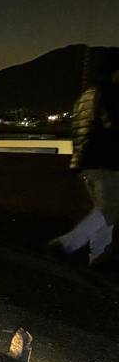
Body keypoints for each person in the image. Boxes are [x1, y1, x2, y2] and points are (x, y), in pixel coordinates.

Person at [51, 62, 119, 265]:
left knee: (104, 209)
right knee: (110, 208)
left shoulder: (87, 96)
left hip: (87, 162)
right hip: (106, 161)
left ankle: (97, 257)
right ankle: (68, 243)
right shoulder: (108, 94)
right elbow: (112, 126)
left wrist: (78, 160)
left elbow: (78, 130)